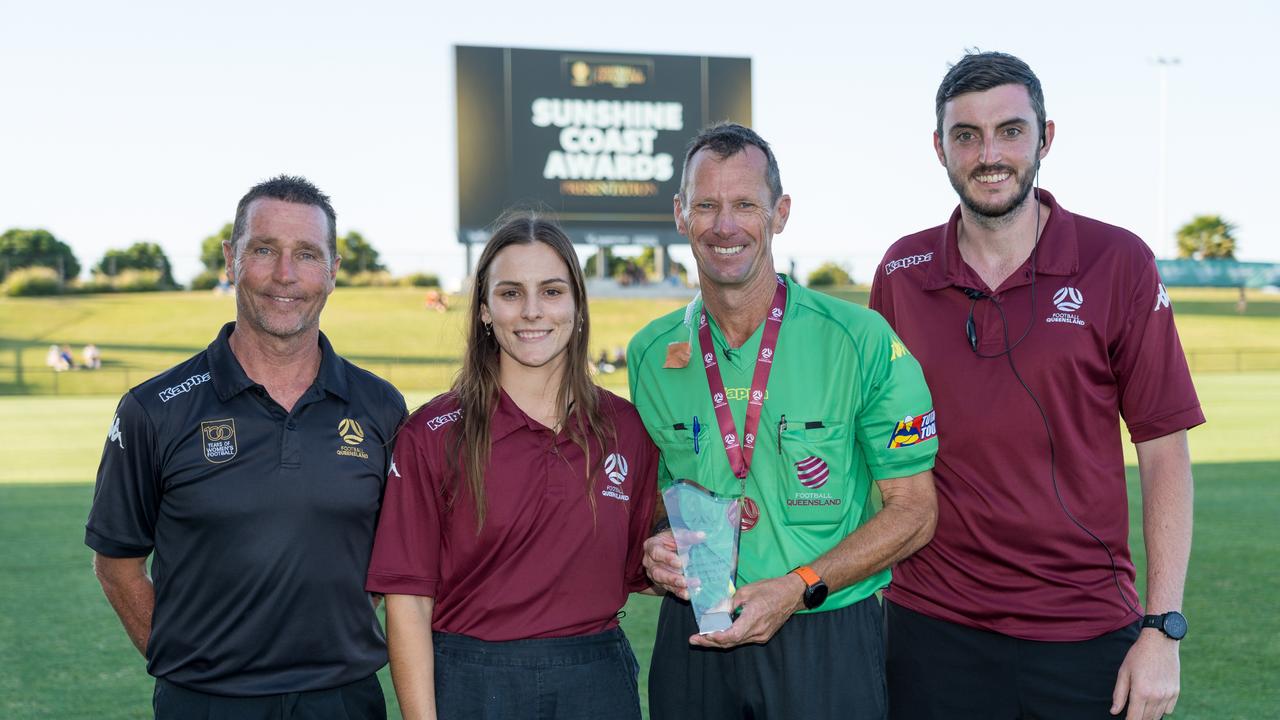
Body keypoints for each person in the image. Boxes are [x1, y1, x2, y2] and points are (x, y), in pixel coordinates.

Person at [870, 51, 1202, 720]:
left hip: (1084, 629)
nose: (988, 153)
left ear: (1045, 137)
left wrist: (1162, 628)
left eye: (1011, 130)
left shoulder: (1118, 261)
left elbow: (1164, 451)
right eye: (966, 135)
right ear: (940, 148)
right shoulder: (901, 273)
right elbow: (872, 444)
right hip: (932, 628)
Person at [629, 122, 938, 719]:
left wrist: (797, 586)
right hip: (696, 631)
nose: (725, 225)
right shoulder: (650, 352)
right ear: (680, 214)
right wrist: (656, 545)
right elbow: (652, 499)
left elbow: (915, 511)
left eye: (745, 204)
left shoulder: (861, 339)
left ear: (780, 212)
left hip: (824, 634)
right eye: (706, 205)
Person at [85, 175, 406, 719]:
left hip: (345, 701)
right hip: (205, 704)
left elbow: (391, 562)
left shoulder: (381, 407)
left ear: (332, 271)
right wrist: (186, 661)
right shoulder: (153, 409)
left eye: (307, 254)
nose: (285, 274)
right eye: (264, 250)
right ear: (232, 260)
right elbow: (116, 563)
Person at [366, 214, 659, 720]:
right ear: (483, 309)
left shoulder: (628, 429)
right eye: (509, 293)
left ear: (577, 305)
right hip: (473, 681)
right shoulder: (431, 435)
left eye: (550, 291)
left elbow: (644, 566)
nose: (531, 312)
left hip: (597, 678)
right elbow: (408, 601)